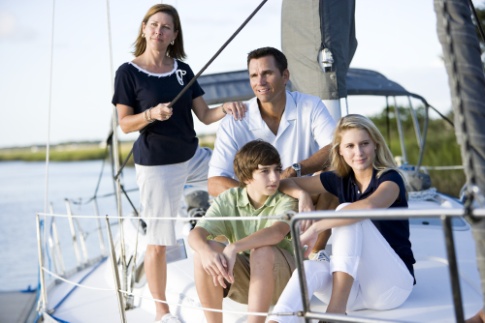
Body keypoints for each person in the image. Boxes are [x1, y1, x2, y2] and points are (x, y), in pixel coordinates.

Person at [111, 4, 245, 322]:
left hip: (193, 157)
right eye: (154, 24)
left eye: (166, 27)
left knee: (239, 186)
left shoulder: (183, 70)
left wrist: (225, 107)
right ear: (144, 29)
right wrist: (151, 114)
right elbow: (125, 124)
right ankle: (162, 312)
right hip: (157, 166)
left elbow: (205, 115)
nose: (159, 31)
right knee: (159, 241)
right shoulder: (127, 73)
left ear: (174, 35)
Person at [268, 114, 416, 322]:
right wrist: (302, 195)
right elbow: (284, 184)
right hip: (353, 291)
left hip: (392, 286)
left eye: (364, 143)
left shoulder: (390, 179)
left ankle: (335, 313)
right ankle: (277, 320)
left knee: (347, 210)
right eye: (350, 146)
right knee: (309, 267)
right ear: (340, 151)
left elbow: (369, 206)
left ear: (375, 145)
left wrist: (315, 229)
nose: (358, 152)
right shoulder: (340, 180)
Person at [207, 46, 338, 255]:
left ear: (285, 75)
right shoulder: (235, 120)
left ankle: (313, 254)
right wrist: (264, 193)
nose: (260, 82)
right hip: (258, 201)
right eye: (254, 75)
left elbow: (335, 148)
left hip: (299, 193)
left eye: (267, 73)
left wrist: (295, 170)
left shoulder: (310, 105)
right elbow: (214, 183)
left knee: (334, 177)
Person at [188, 140, 298, 323]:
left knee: (261, 251)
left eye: (277, 170)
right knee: (203, 253)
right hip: (250, 281)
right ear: (247, 177)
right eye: (265, 171)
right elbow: (196, 234)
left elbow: (277, 232)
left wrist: (233, 247)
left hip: (286, 282)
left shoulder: (286, 198)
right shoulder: (229, 199)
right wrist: (206, 252)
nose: (275, 178)